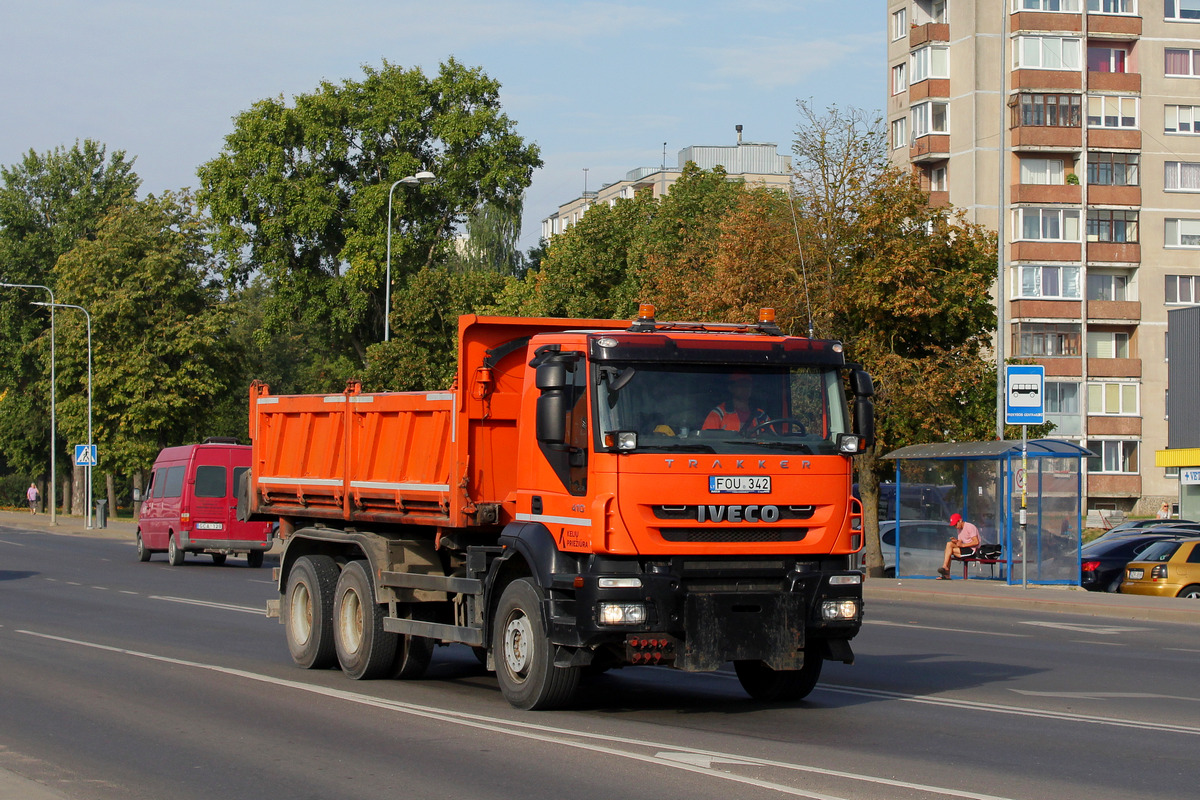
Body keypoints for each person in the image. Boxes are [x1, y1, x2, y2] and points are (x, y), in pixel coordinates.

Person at [702, 373, 771, 434]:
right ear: (731, 388)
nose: (745, 389)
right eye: (740, 385)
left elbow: (771, 440)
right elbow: (707, 440)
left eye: (747, 385)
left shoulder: (761, 416)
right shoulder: (718, 414)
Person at [937, 512, 980, 579]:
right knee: (949, 544)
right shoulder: (959, 529)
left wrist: (962, 545)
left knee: (948, 551)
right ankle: (945, 568)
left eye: (955, 524)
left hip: (972, 550)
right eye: (954, 525)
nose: (955, 526)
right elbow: (960, 542)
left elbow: (976, 542)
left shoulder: (970, 527)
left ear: (960, 520)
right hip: (964, 548)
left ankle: (946, 573)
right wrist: (956, 541)